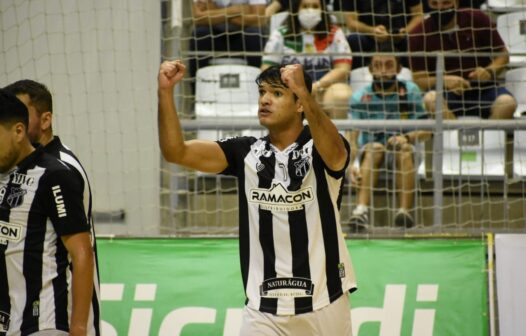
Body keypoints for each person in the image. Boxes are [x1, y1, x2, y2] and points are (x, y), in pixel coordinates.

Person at [158, 60, 356, 335]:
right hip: (263, 310)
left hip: (326, 301)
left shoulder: (321, 147)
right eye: (262, 92)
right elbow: (176, 152)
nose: (265, 100)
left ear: (300, 104)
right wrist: (165, 93)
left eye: (276, 93)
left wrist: (306, 94)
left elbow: (337, 155)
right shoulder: (246, 152)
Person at [3, 80, 101, 335]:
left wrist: (79, 326)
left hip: (52, 316)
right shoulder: (10, 169)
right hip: (14, 314)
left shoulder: (60, 170)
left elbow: (80, 252)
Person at [347, 44, 431, 230]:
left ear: (398, 69)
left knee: (405, 150)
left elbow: (427, 129)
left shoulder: (411, 91)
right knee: (375, 148)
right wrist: (353, 164)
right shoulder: (360, 97)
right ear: (370, 69)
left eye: (388, 65)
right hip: (370, 152)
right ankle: (360, 212)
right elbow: (352, 137)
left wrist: (407, 138)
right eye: (377, 65)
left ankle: (404, 213)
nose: (383, 71)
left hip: (402, 149)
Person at [408, 0, 517, 119]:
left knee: (507, 102)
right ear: (427, 5)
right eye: (434, 4)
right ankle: (453, 137)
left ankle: (489, 137)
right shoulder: (418, 34)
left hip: (484, 89)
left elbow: (503, 55)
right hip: (447, 93)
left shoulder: (477, 18)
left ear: (456, 3)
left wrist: (489, 71)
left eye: (446, 3)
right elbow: (419, 80)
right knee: (431, 99)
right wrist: (443, 80)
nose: (440, 8)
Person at [261, 0, 353, 119]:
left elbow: (343, 69)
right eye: (305, 6)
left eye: (315, 6)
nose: (310, 10)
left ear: (322, 9)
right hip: (289, 90)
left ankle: (337, 136)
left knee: (341, 96)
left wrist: (317, 86)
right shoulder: (280, 34)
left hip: (324, 88)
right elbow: (267, 69)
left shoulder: (334, 33)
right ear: (296, 9)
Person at [189, 0, 268, 89]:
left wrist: (215, 10)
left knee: (255, 34)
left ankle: (259, 90)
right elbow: (198, 18)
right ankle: (197, 92)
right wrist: (236, 11)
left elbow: (259, 20)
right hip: (213, 35)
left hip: (244, 35)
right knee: (200, 34)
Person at [333, 0, 424, 69]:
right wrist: (372, 31)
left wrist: (405, 32)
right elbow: (351, 23)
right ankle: (358, 79)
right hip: (367, 35)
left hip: (400, 36)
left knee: (413, 40)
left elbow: (418, 15)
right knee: (354, 40)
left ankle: (409, 79)